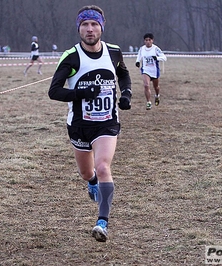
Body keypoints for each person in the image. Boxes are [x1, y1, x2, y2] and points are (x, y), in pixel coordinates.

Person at [48, 5, 132, 242]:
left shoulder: (114, 52)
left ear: (101, 27)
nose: (90, 29)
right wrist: (81, 94)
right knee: (87, 172)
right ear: (79, 28)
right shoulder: (71, 57)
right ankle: (92, 182)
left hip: (107, 123)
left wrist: (126, 93)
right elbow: (54, 91)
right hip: (79, 125)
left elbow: (123, 74)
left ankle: (102, 223)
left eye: (94, 24)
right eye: (85, 24)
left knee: (104, 166)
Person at [135, 33, 167, 110]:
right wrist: (137, 62)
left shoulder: (156, 49)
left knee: (156, 87)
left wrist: (157, 58)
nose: (148, 42)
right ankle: (148, 102)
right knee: (146, 85)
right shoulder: (142, 49)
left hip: (154, 70)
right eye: (146, 40)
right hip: (145, 70)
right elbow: (139, 56)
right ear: (144, 41)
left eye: (149, 40)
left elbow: (164, 58)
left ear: (152, 41)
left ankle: (157, 95)